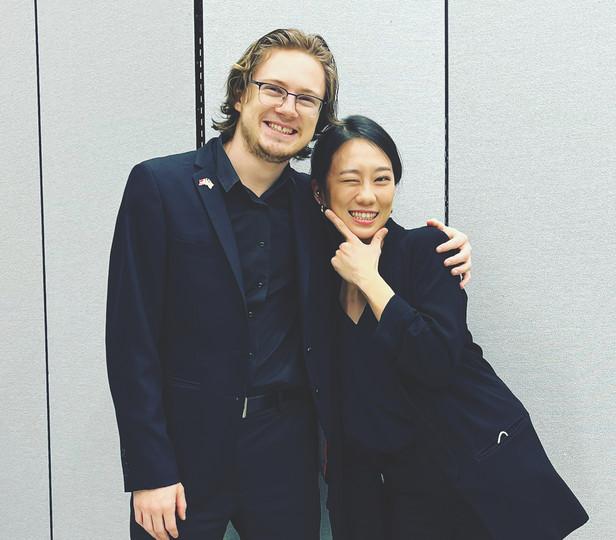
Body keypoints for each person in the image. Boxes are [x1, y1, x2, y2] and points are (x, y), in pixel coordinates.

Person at [105, 29, 473, 540]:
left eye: (306, 98)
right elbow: (131, 340)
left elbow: (377, 229)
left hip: (285, 451)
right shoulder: (159, 187)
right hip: (184, 454)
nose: (287, 108)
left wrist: (448, 248)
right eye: (273, 89)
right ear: (240, 94)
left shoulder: (315, 205)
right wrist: (150, 471)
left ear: (319, 118)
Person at [310, 115, 589, 540]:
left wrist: (370, 280)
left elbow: (435, 359)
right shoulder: (316, 274)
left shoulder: (429, 251)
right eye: (350, 180)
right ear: (321, 191)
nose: (367, 195)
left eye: (382, 179)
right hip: (370, 492)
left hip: (456, 478)